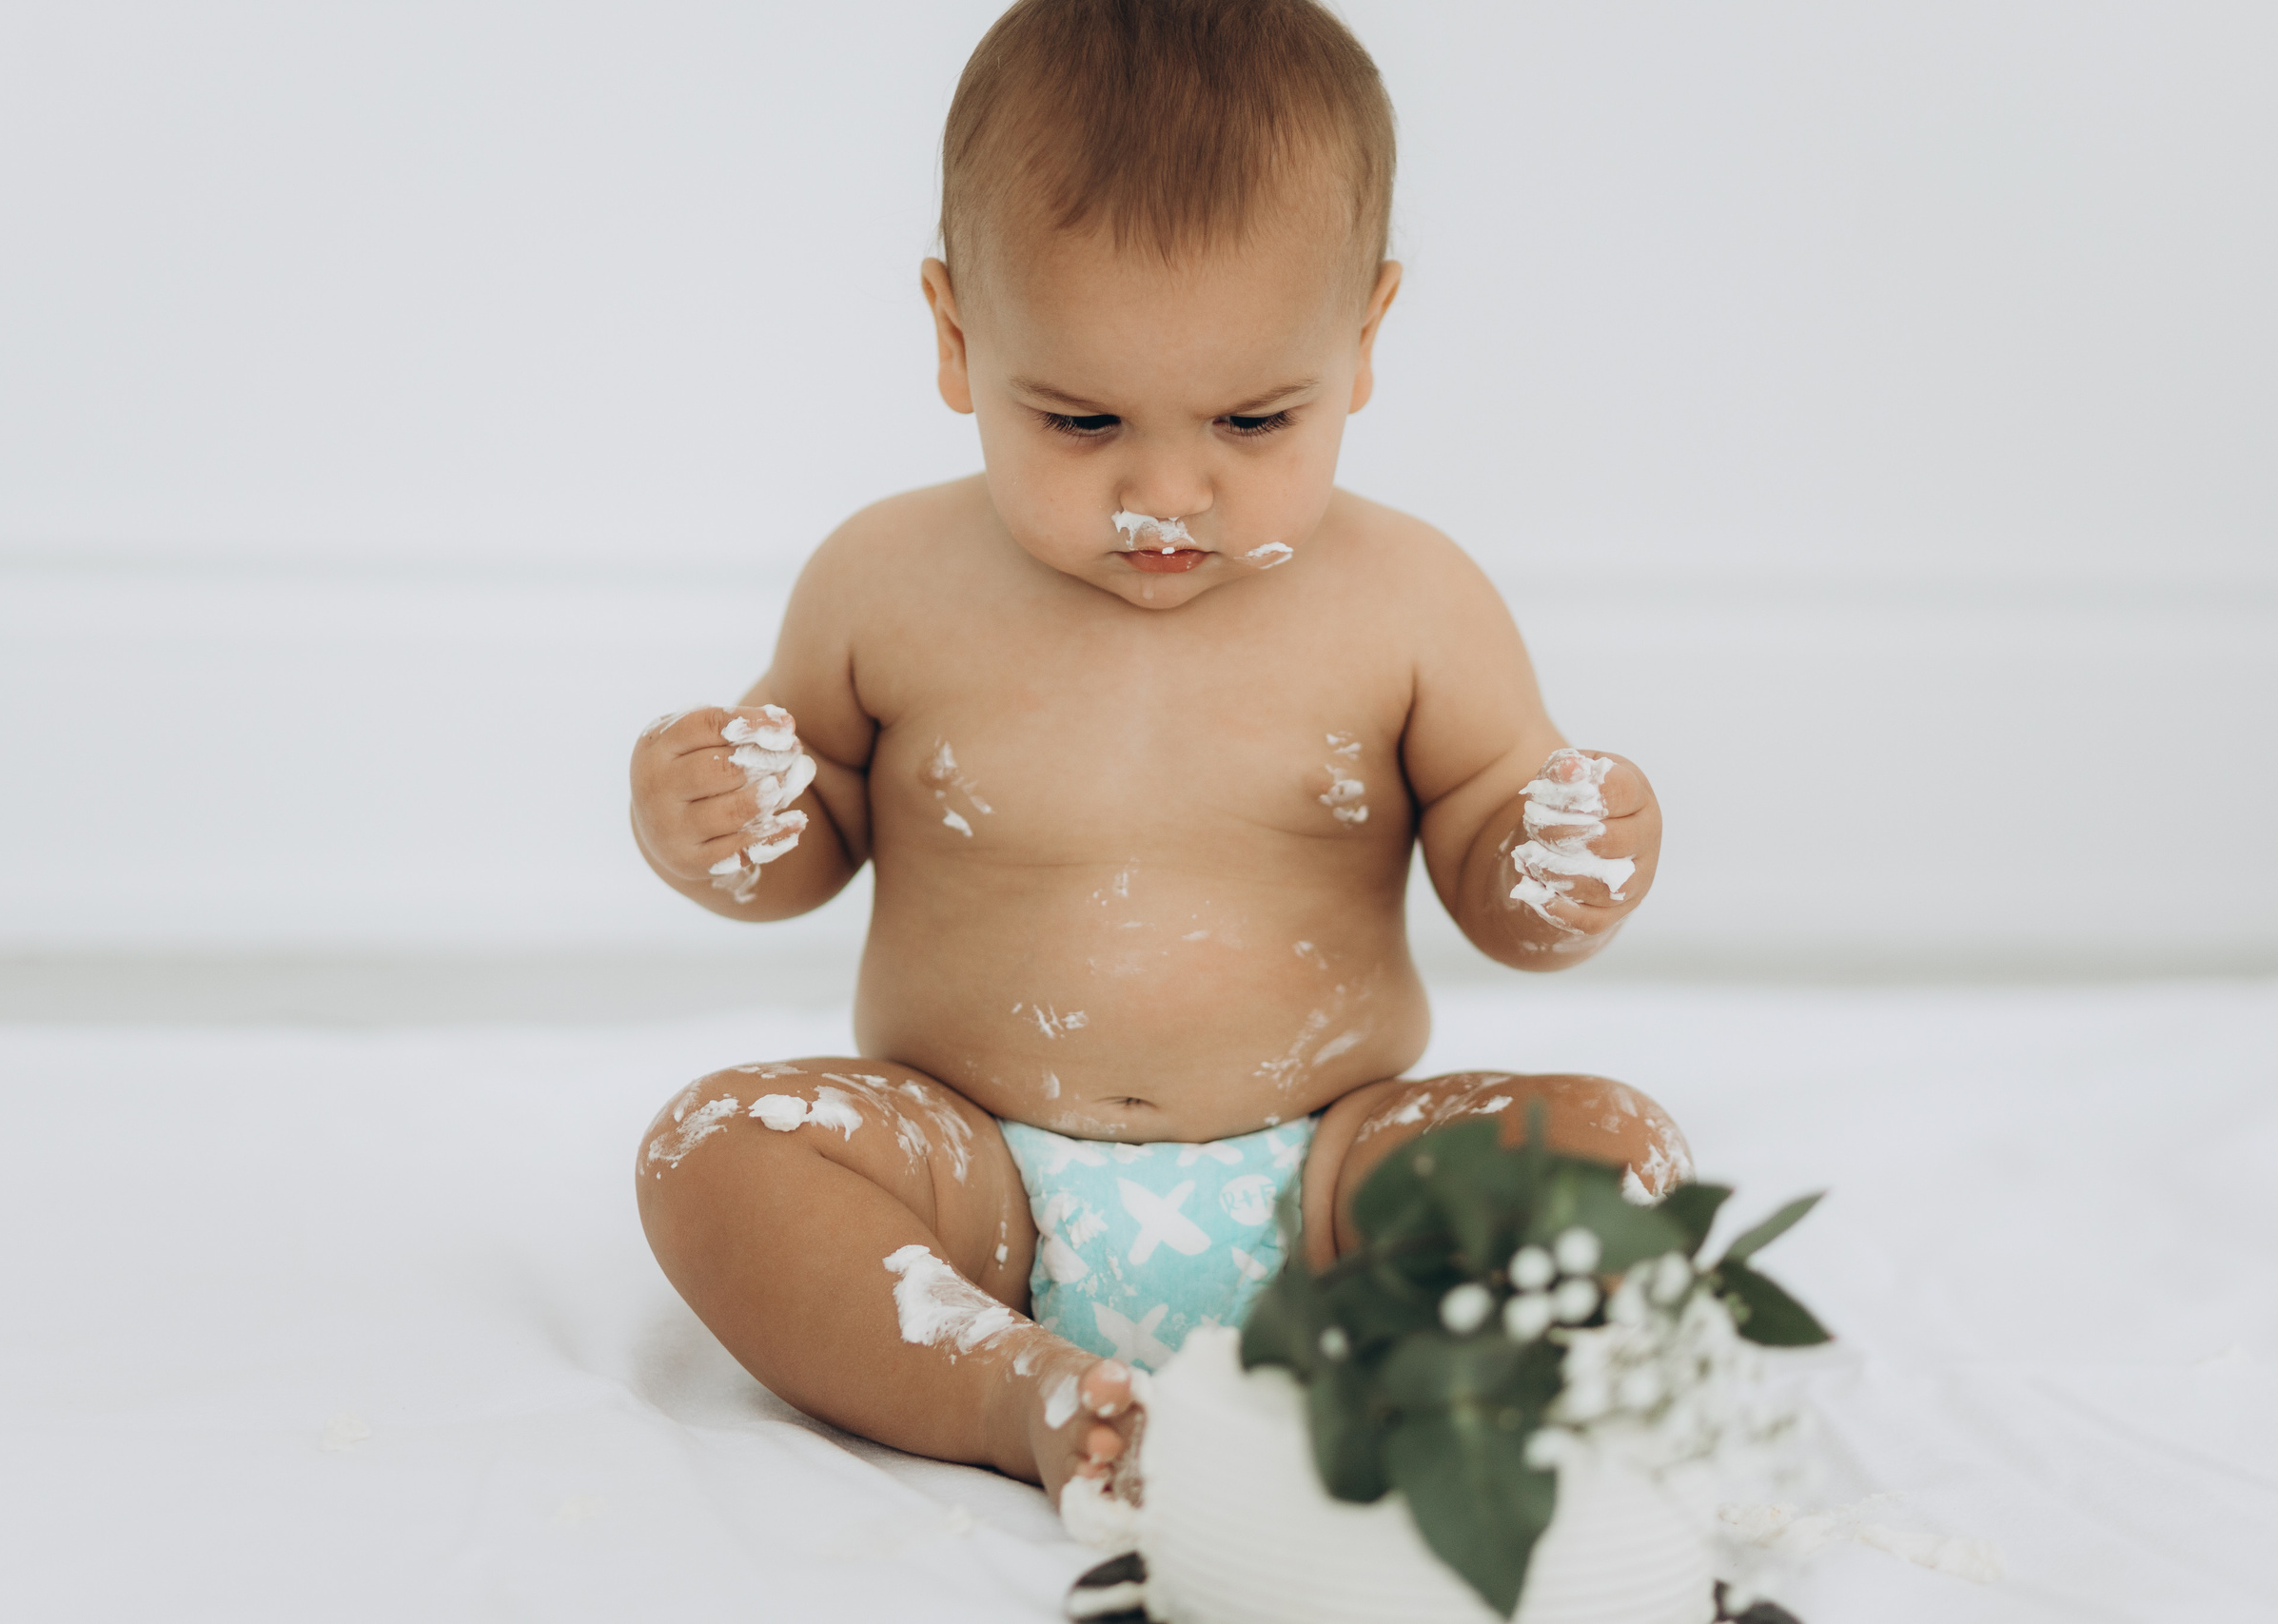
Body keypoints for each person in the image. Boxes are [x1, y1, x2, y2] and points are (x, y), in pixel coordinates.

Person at [629, 0, 1687, 1516]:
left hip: (1335, 1179)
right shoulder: (882, 585)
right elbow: (803, 846)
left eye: (1258, 418)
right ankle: (1015, 1393)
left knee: (1617, 1152)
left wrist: (1558, 867)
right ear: (955, 337)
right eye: (1078, 420)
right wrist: (718, 826)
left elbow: (1499, 891)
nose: (1166, 492)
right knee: (716, 1152)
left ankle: (1369, 1362)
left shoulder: (1413, 601)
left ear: (1366, 340)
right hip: (969, 1183)